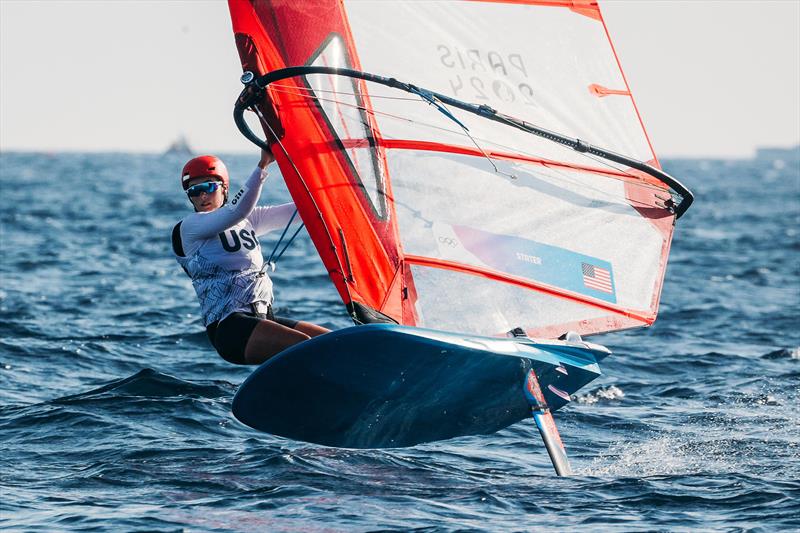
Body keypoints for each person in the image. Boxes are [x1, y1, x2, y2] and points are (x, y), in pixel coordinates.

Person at [171, 149, 329, 365]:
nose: (202, 196)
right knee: (306, 346)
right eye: (195, 191)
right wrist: (263, 165)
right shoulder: (189, 227)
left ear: (224, 188)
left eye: (208, 187)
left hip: (262, 318)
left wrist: (332, 178)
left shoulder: (249, 220)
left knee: (333, 342)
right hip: (229, 328)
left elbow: (307, 210)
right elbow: (236, 211)